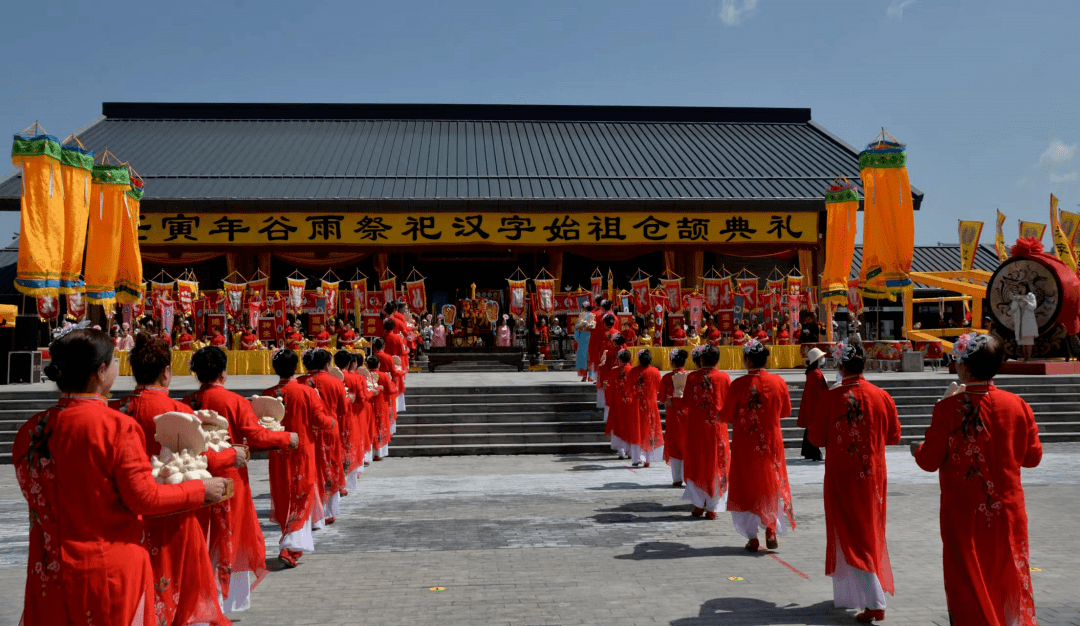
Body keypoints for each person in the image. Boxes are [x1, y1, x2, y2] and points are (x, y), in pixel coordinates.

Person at [13, 328, 230, 625]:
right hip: (106, 571)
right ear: (101, 371)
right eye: (113, 361)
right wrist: (199, 490)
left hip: (48, 571)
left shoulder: (30, 431)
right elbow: (144, 497)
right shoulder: (114, 426)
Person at [912, 333, 1041, 625]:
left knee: (967, 579)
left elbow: (928, 461)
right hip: (1008, 512)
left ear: (965, 369)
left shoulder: (947, 409)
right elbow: (1032, 458)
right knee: (1008, 575)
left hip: (964, 513)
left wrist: (916, 447)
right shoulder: (1017, 405)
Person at [114, 332, 237, 626]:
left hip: (126, 512)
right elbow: (204, 458)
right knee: (176, 581)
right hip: (174, 510)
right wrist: (234, 454)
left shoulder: (116, 410)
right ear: (166, 372)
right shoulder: (178, 411)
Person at [186, 346, 298, 612]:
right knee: (228, 535)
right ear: (224, 372)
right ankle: (222, 599)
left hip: (195, 477)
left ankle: (203, 595)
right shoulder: (234, 401)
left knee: (203, 536)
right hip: (229, 477)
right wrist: (285, 438)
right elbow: (257, 436)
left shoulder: (188, 401)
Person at [808, 340, 900, 623]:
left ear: (840, 365)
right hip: (873, 474)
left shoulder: (833, 398)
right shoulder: (881, 395)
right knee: (867, 529)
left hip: (842, 474)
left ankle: (874, 599)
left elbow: (815, 438)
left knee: (851, 532)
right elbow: (894, 436)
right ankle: (856, 594)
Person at [263, 349, 336, 567]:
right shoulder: (305, 392)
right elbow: (320, 420)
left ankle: (293, 543)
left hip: (278, 452)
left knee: (284, 494)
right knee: (301, 495)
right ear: (296, 368)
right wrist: (332, 421)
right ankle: (289, 545)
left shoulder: (267, 393)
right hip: (302, 451)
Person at [720, 339, 795, 551]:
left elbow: (726, 415)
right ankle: (771, 527)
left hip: (746, 445)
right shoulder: (778, 382)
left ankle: (752, 537)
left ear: (748, 360)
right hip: (771, 443)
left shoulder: (738, 385)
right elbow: (787, 411)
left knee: (746, 486)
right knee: (771, 483)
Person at [298, 348, 348, 524]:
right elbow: (343, 409)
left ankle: (312, 513)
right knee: (331, 467)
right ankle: (328, 511)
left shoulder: (300, 383)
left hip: (307, 432)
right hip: (330, 429)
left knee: (310, 470)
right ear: (327, 364)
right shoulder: (335, 382)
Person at [681, 344, 731, 519]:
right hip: (717, 428)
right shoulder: (724, 377)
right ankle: (713, 507)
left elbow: (685, 401)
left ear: (701, 359)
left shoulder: (693, 377)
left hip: (696, 427)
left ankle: (698, 504)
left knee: (697, 462)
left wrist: (674, 400)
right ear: (717, 360)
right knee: (716, 465)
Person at [334, 349, 367, 491]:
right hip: (349, 416)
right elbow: (362, 398)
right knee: (348, 447)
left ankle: (336, 483)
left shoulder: (332, 378)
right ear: (349, 364)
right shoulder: (354, 378)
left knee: (336, 449)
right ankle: (345, 483)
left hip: (333, 418)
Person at [626, 349, 664, 467]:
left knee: (637, 430)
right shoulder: (655, 372)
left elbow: (628, 388)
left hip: (637, 405)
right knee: (649, 430)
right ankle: (648, 458)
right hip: (651, 405)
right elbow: (659, 388)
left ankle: (637, 458)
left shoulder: (633, 372)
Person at [660, 348, 690, 487]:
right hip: (687, 415)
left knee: (674, 444)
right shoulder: (690, 377)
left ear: (672, 362)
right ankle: (687, 476)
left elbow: (660, 397)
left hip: (673, 415)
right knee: (686, 444)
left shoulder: (667, 378)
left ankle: (677, 478)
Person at [798, 347, 828, 462]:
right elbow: (821, 390)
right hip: (816, 403)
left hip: (811, 402)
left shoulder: (811, 372)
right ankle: (813, 451)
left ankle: (808, 451)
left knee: (809, 427)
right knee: (814, 428)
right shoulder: (816, 373)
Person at [367, 354, 395, 460]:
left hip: (370, 404)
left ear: (368, 365)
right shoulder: (383, 376)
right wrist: (393, 384)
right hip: (381, 404)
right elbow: (390, 390)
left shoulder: (366, 376)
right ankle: (379, 452)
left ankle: (370, 454)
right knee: (381, 425)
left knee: (371, 427)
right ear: (378, 365)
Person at [1010, 283, 1038, 361]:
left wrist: (1026, 302)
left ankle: (1028, 358)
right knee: (1022, 341)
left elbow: (1033, 306)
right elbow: (1013, 308)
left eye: (1023, 287)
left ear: (1026, 287)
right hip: (1020, 320)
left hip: (1028, 321)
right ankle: (1024, 357)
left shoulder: (1031, 296)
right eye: (1020, 287)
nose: (1021, 288)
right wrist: (1015, 300)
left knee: (1028, 341)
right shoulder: (1017, 296)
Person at [574, 305, 594, 382]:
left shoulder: (589, 316)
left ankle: (586, 376)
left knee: (585, 358)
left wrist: (578, 338)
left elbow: (576, 329)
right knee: (588, 358)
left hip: (584, 338)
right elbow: (577, 327)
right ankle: (588, 376)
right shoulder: (585, 316)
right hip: (587, 338)